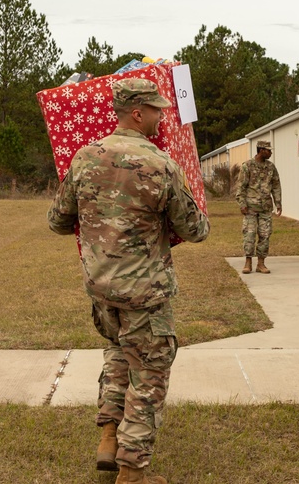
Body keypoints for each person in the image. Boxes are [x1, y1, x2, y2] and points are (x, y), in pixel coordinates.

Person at [47, 78, 210, 484]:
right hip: (145, 296)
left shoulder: (84, 158)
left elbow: (57, 221)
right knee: (149, 375)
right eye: (155, 109)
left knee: (119, 356)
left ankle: (108, 437)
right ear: (137, 112)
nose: (161, 116)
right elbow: (195, 230)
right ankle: (132, 471)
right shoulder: (160, 164)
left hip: (102, 293)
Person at [234, 139, 282, 274]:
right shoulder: (247, 166)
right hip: (250, 208)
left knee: (265, 235)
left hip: (266, 208)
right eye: (268, 150)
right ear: (261, 150)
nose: (271, 153)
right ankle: (248, 262)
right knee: (249, 234)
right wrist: (242, 204)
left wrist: (278, 203)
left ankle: (261, 264)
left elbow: (276, 185)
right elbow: (241, 187)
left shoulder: (271, 167)